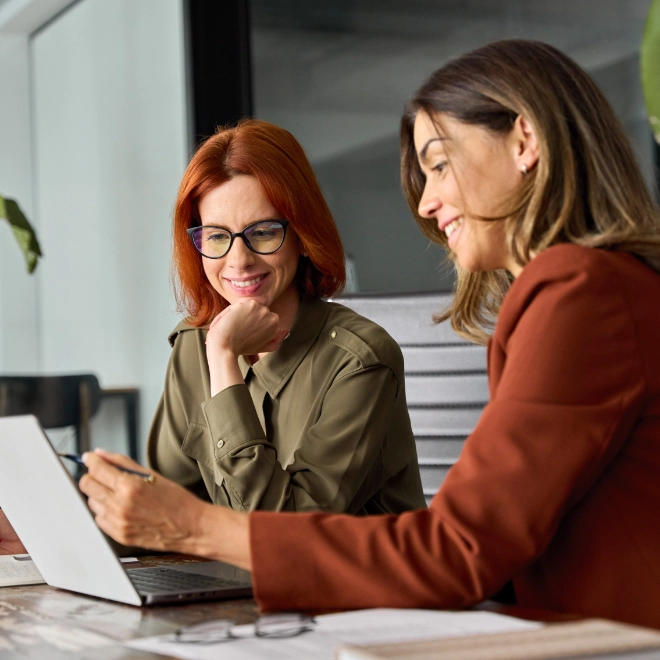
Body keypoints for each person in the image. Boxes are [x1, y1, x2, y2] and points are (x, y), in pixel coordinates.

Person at [78, 40, 660, 628]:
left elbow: (459, 549)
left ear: (525, 142)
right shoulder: (583, 290)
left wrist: (196, 527)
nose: (427, 203)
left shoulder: (584, 291)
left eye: (438, 163)